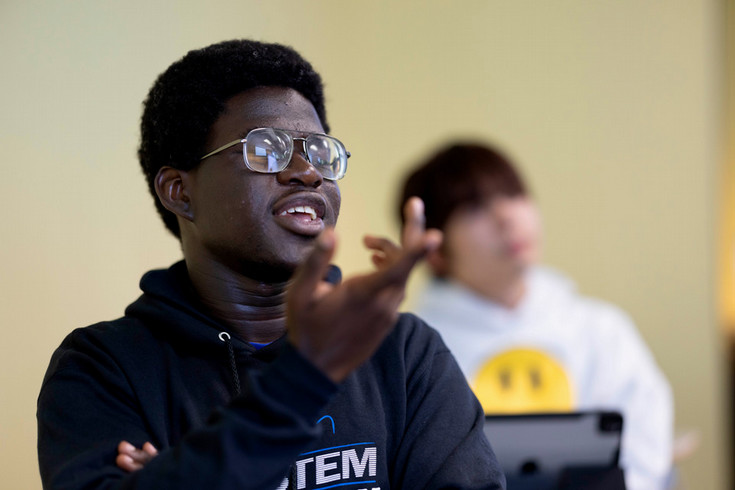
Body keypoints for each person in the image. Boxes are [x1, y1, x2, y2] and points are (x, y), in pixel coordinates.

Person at [36, 41, 506, 490]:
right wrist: (306, 376)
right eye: (266, 148)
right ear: (179, 191)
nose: (307, 171)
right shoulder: (102, 369)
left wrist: (187, 478)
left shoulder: (402, 353)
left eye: (321, 150)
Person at [397, 142, 673, 490]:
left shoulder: (601, 330)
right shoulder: (412, 351)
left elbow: (645, 460)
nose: (506, 217)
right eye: (474, 208)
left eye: (513, 194)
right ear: (434, 249)